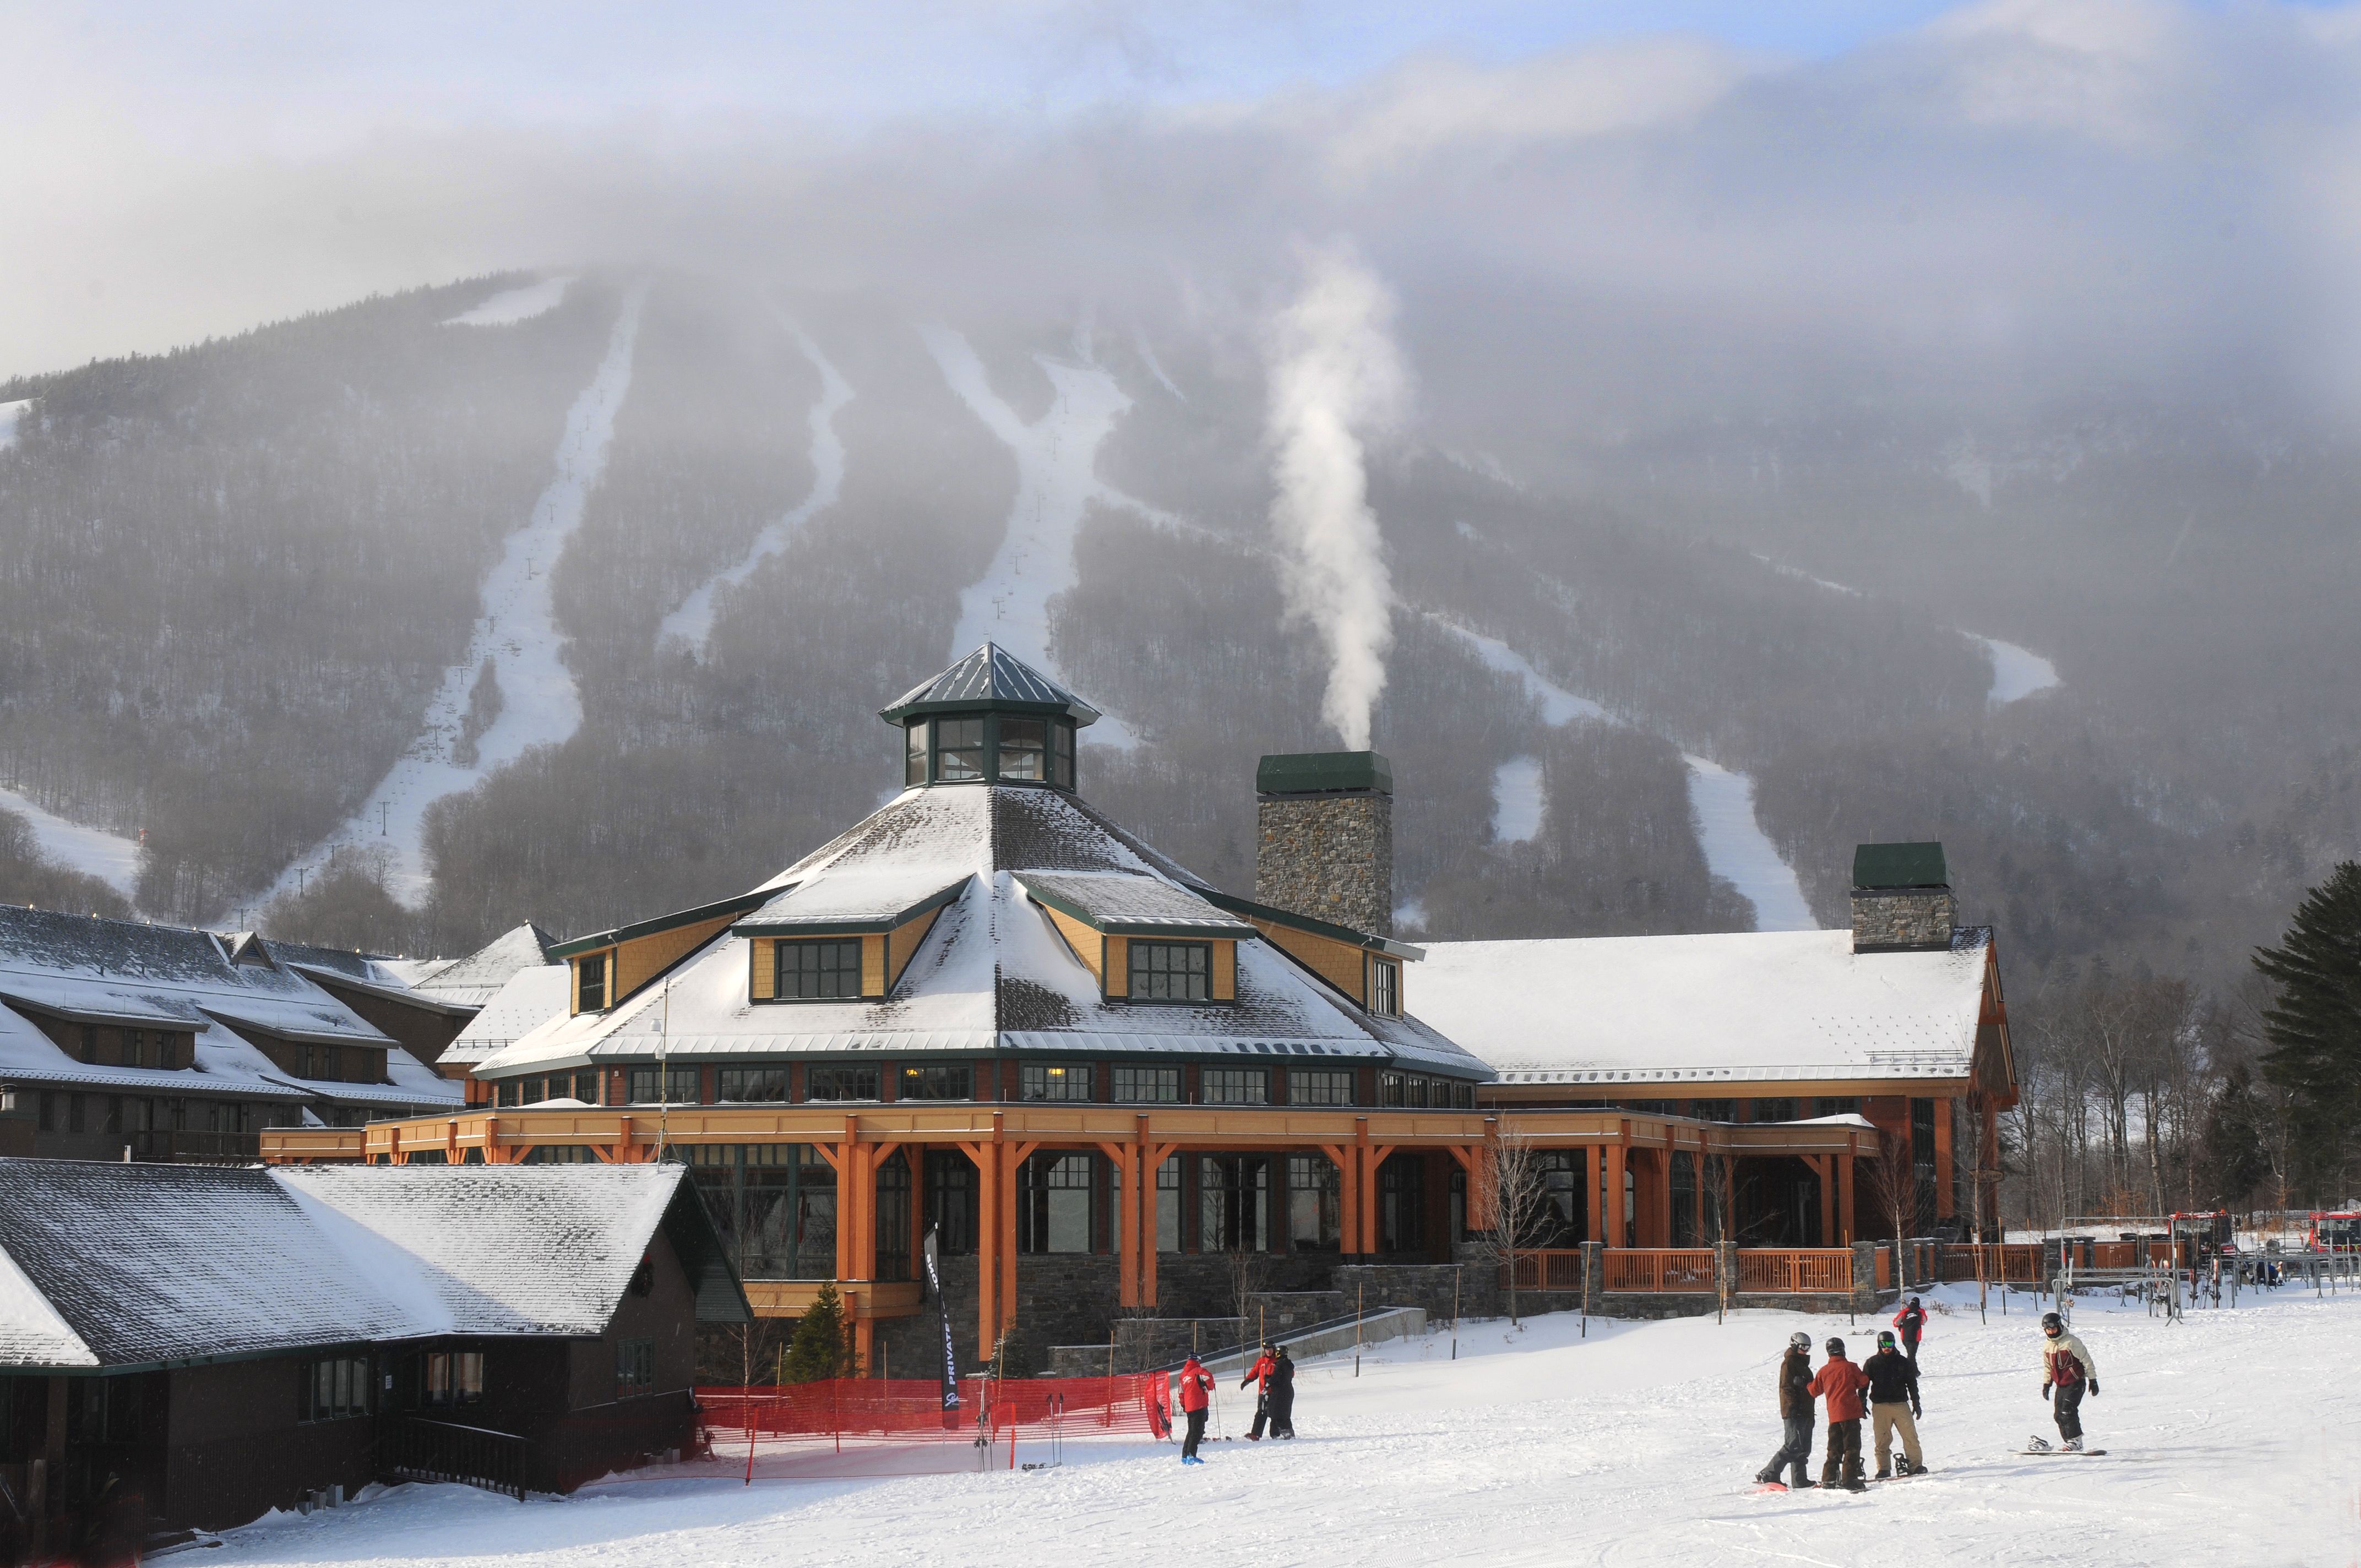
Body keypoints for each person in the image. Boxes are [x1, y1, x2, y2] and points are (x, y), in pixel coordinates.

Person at [1754, 1330, 1818, 1490]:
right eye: (1803, 1347)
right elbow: (1786, 1387)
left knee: (1804, 1447)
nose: (1805, 1351)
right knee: (1793, 1445)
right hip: (1794, 1412)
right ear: (1795, 1345)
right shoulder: (1789, 1363)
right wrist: (1793, 1407)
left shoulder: (1802, 1364)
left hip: (1806, 1411)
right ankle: (1769, 1473)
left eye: (1808, 1348)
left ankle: (1800, 1479)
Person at [1807, 1336, 1872, 1491]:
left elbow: (1813, 1391)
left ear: (1829, 1353)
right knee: (1852, 1447)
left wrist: (1806, 1383)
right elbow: (1864, 1381)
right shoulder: (1850, 1367)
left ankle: (1829, 1479)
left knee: (1834, 1448)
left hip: (1834, 1416)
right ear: (1843, 1350)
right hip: (1850, 1414)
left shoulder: (1824, 1371)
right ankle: (1849, 1479)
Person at [1863, 1329, 1925, 1478]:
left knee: (1910, 1436)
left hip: (1900, 1404)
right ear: (1879, 1344)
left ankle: (1915, 1465)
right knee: (1882, 1439)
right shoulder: (1872, 1363)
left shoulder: (1903, 1362)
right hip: (1880, 1406)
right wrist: (1862, 1402)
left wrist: (1916, 1402)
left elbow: (1912, 1383)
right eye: (1884, 1344)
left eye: (1890, 1343)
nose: (1887, 1347)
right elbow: (1864, 1385)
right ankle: (1884, 1468)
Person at [2036, 1311, 2098, 1451]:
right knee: (2058, 1414)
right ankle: (2070, 1442)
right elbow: (2048, 1367)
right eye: (2048, 1330)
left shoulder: (2071, 1342)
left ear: (2059, 1326)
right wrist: (2047, 1384)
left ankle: (2076, 1441)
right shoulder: (2047, 1346)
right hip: (2061, 1384)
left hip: (2076, 1381)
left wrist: (2093, 1380)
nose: (2051, 1332)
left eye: (2053, 1328)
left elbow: (2086, 1361)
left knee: (2068, 1411)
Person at [1177, 1354, 1215, 1464]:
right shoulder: (1199, 1370)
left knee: (1191, 1431)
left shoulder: (1183, 1375)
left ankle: (1185, 1455)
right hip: (1199, 1405)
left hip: (1189, 1407)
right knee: (1197, 1432)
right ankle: (1191, 1455)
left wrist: (1184, 1405)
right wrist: (1208, 1387)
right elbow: (1209, 1377)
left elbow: (1181, 1392)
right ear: (1197, 1361)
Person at [1242, 1343, 1277, 1440]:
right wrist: (1247, 1380)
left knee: (1274, 1413)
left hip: (1274, 1392)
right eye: (1266, 1350)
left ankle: (1276, 1434)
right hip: (1262, 1392)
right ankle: (1256, 1434)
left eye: (1270, 1349)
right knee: (1261, 1412)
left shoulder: (1277, 1361)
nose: (1268, 1351)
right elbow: (1254, 1372)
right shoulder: (1261, 1361)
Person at [1266, 1345, 1297, 1439]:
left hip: (1280, 1391)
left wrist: (1268, 1382)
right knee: (1285, 1413)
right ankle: (1284, 1432)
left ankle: (1285, 1432)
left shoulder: (1280, 1364)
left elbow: (1276, 1377)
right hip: (1289, 1390)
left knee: (1276, 1412)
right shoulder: (1289, 1365)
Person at [1892, 1295, 1927, 1364]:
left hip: (1905, 1337)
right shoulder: (1921, 1312)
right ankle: (1909, 1371)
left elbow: (1896, 1323)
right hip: (1916, 1337)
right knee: (1912, 1356)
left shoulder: (1905, 1311)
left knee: (1911, 1355)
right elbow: (1924, 1321)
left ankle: (1915, 1372)